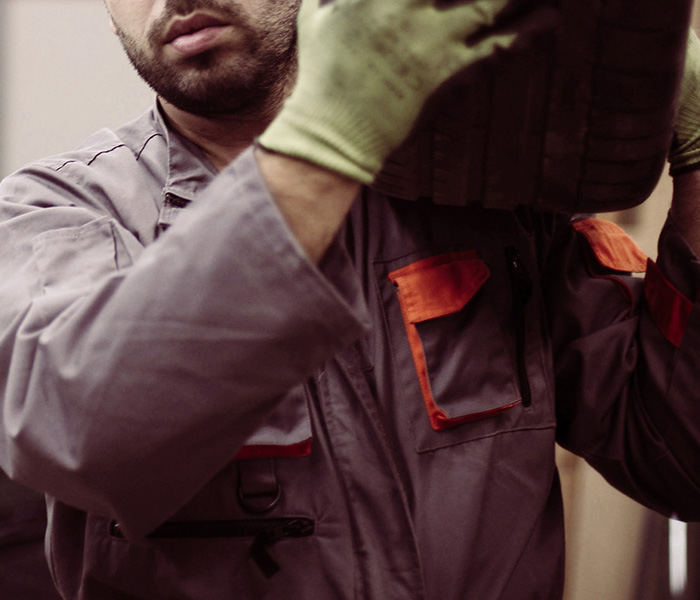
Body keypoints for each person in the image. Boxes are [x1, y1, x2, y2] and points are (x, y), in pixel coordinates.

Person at [0, 0, 699, 598]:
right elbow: (77, 430)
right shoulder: (53, 214)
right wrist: (326, 143)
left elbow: (680, 458)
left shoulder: (481, 196)